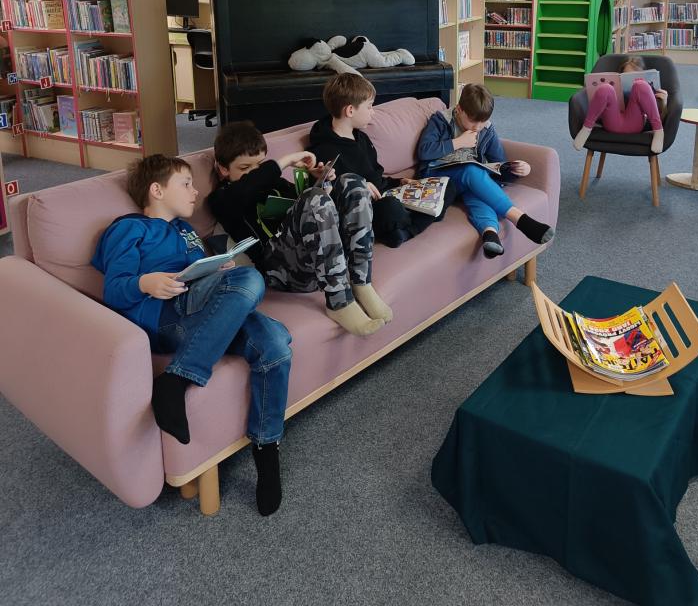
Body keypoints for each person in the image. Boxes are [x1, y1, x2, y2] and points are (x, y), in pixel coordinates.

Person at [91, 154, 290, 516]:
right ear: (156, 190)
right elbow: (114, 290)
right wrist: (145, 282)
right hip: (167, 316)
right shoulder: (130, 228)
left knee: (274, 344)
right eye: (186, 184)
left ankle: (266, 449)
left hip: (206, 314)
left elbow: (201, 275)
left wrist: (220, 271)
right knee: (250, 280)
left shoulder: (187, 231)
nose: (195, 191)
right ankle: (178, 379)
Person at [207, 120, 390, 337]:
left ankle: (361, 282)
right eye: (245, 168)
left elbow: (310, 210)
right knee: (313, 199)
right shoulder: (222, 199)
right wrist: (286, 161)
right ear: (223, 169)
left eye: (260, 164)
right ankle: (339, 301)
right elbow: (246, 190)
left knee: (353, 182)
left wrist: (321, 182)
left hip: (318, 260)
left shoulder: (276, 184)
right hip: (279, 270)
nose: (256, 172)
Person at [308, 73, 456, 248]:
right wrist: (361, 187)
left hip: (386, 193)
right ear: (350, 111)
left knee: (448, 186)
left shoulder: (361, 137)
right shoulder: (323, 150)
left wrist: (400, 182)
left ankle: (405, 230)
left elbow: (377, 177)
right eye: (369, 107)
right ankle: (416, 222)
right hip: (367, 210)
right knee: (391, 209)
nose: (373, 112)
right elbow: (333, 199)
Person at [416, 83, 554, 258]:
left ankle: (490, 234)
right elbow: (424, 151)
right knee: (471, 170)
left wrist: (516, 169)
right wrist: (458, 142)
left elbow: (498, 163)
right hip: (436, 179)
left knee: (477, 191)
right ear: (459, 109)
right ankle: (521, 219)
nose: (477, 127)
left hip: (465, 183)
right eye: (473, 121)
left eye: (482, 122)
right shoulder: (441, 120)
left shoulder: (486, 129)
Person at [573, 56, 668, 155]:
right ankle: (586, 128)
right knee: (605, 88)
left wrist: (664, 102)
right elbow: (600, 113)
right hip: (612, 122)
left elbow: (660, 115)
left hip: (635, 124)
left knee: (641, 85)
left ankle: (658, 130)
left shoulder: (644, 90)